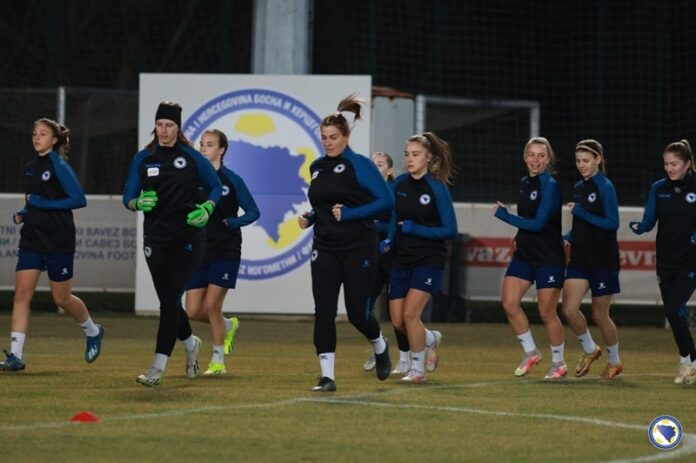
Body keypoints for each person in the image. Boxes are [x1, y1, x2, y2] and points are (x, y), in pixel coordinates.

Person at [123, 101, 222, 387]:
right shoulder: (143, 158)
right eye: (160, 125)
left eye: (170, 125)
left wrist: (207, 209)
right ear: (154, 126)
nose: (164, 131)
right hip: (155, 238)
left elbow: (215, 187)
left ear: (178, 128)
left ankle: (157, 367)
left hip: (187, 237)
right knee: (169, 301)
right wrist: (137, 202)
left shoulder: (191, 157)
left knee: (168, 302)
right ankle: (191, 343)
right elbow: (128, 195)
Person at [299, 94, 394, 392]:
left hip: (359, 247)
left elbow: (386, 203)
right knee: (323, 311)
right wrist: (312, 217)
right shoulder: (316, 166)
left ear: (346, 136)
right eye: (324, 137)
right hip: (325, 247)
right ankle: (327, 376)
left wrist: (351, 213)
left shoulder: (359, 165)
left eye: (333, 137)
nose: (328, 143)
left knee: (356, 314)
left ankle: (379, 344)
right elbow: (326, 204)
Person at [1, 118, 103, 371]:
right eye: (34, 133)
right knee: (22, 295)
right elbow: (33, 200)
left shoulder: (59, 165)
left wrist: (40, 204)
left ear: (55, 139)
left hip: (59, 239)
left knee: (62, 299)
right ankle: (15, 356)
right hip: (32, 238)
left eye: (43, 134)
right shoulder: (29, 168)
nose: (37, 137)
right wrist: (24, 212)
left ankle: (93, 330)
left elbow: (79, 199)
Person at [381, 133, 457, 383]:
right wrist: (389, 238)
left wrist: (417, 229)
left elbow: (450, 230)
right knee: (398, 320)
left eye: (415, 155)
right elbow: (394, 218)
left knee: (411, 315)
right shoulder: (400, 183)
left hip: (428, 260)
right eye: (407, 154)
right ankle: (430, 338)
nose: (410, 159)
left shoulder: (437, 187)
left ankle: (417, 369)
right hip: (401, 259)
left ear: (428, 158)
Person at [185, 129, 259, 375]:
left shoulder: (232, 180)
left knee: (212, 305)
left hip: (226, 249)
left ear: (221, 150)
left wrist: (232, 222)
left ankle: (217, 361)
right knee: (194, 311)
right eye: (202, 144)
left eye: (209, 144)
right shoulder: (194, 180)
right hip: (199, 249)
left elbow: (252, 211)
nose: (203, 149)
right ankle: (228, 325)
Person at [494, 137, 567, 379]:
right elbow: (527, 220)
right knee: (509, 302)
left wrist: (506, 217)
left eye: (541, 155)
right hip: (525, 254)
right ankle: (530, 352)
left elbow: (538, 223)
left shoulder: (551, 185)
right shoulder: (524, 183)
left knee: (547, 312)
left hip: (548, 256)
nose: (535, 160)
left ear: (548, 159)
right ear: (525, 157)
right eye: (532, 155)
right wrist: (517, 233)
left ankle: (558, 363)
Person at [630, 139, 696, 385]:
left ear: (688, 164)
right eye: (666, 163)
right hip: (666, 260)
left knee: (672, 309)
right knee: (675, 313)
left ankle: (685, 361)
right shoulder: (658, 188)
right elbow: (649, 220)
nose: (670, 168)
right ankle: (692, 364)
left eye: (674, 164)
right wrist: (639, 227)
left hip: (690, 261)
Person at [562, 140, 622, 379]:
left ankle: (615, 361)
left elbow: (612, 223)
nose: (581, 165)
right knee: (569, 308)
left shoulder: (605, 187)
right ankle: (589, 348)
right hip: (580, 258)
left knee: (599, 314)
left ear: (598, 159)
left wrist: (582, 212)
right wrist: (568, 236)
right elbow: (582, 225)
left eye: (586, 160)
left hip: (603, 259)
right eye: (578, 161)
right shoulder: (579, 187)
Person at [362, 152, 411, 375]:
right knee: (363, 307)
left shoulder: (392, 191)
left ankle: (405, 357)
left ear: (389, 170)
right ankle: (380, 346)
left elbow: (394, 219)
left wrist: (385, 235)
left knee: (397, 313)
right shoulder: (364, 190)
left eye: (379, 164)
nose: (375, 167)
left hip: (393, 255)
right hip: (372, 254)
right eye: (372, 164)